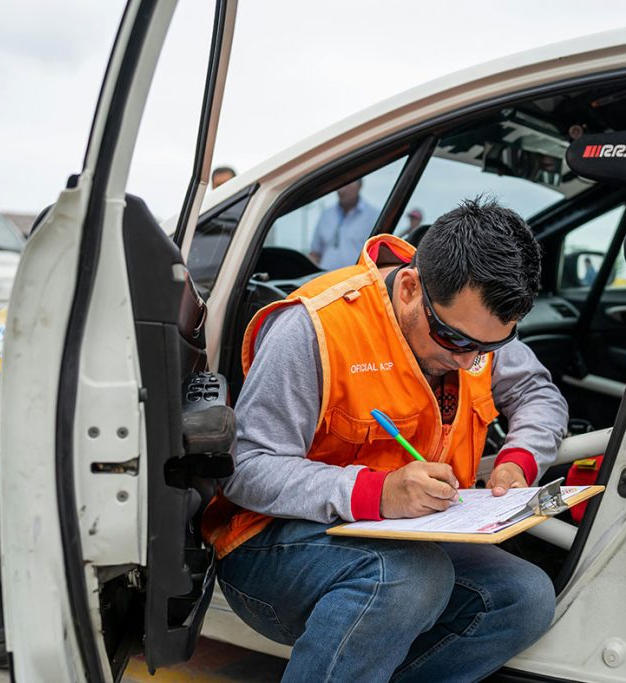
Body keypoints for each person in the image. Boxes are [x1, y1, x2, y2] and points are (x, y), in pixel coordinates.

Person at [203, 197, 568, 682]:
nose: (469, 361)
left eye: (491, 348)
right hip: (272, 543)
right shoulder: (316, 327)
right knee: (410, 579)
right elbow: (247, 467)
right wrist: (377, 493)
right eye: (457, 343)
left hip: (408, 534)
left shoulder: (472, 321)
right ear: (411, 289)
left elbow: (539, 394)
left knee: (524, 596)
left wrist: (520, 460)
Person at [308, 178, 379, 270]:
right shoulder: (326, 215)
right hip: (325, 279)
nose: (342, 190)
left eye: (348, 184)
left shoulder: (374, 216)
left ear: (360, 185)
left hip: (357, 280)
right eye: (339, 185)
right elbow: (315, 254)